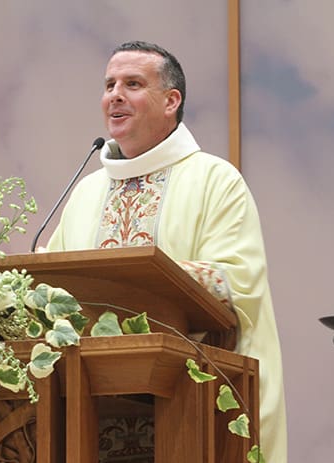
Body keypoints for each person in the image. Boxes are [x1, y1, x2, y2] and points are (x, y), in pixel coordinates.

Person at [47, 41, 287, 462]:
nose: (114, 95)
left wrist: (143, 277)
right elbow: (53, 286)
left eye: (133, 84)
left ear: (171, 101)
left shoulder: (216, 180)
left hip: (188, 404)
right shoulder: (86, 192)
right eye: (109, 85)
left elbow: (236, 281)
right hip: (87, 409)